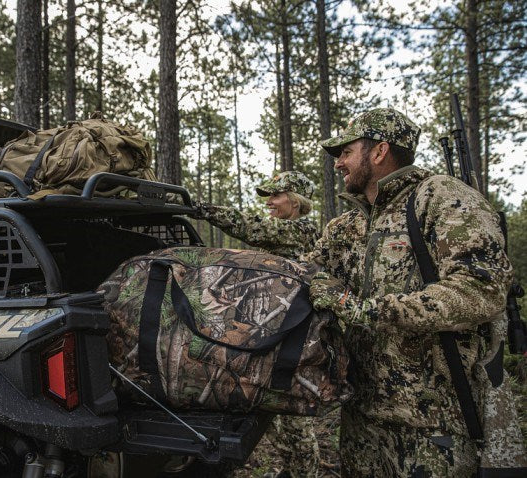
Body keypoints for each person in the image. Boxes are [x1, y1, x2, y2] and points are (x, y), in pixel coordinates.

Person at [300, 108, 526, 475]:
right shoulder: (347, 226)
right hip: (361, 419)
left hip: (432, 425)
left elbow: (481, 288)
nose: (338, 163)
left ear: (379, 151)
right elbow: (304, 273)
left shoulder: (440, 198)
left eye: (345, 152)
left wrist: (368, 311)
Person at [195, 170, 321, 478]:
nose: (270, 203)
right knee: (270, 408)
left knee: (293, 416)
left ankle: (303, 473)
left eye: (276, 196)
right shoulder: (283, 234)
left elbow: (248, 227)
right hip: (273, 332)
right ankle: (291, 471)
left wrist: (200, 207)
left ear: (295, 200)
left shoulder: (301, 230)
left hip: (295, 337)